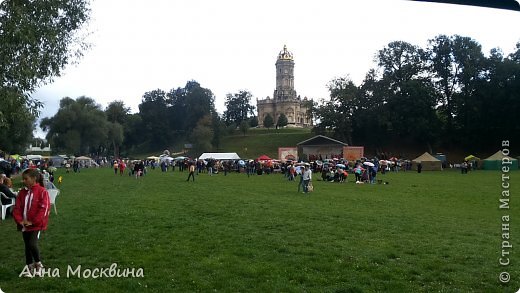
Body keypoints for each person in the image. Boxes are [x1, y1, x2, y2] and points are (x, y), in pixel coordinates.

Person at [12, 169, 51, 278]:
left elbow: (44, 209)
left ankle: (39, 265)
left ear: (34, 179)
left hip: (36, 225)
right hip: (24, 225)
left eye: (26, 179)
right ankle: (29, 266)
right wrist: (20, 220)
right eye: (23, 179)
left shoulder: (42, 191)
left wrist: (33, 222)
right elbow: (17, 208)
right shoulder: (22, 192)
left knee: (32, 244)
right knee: (27, 246)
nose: (24, 181)